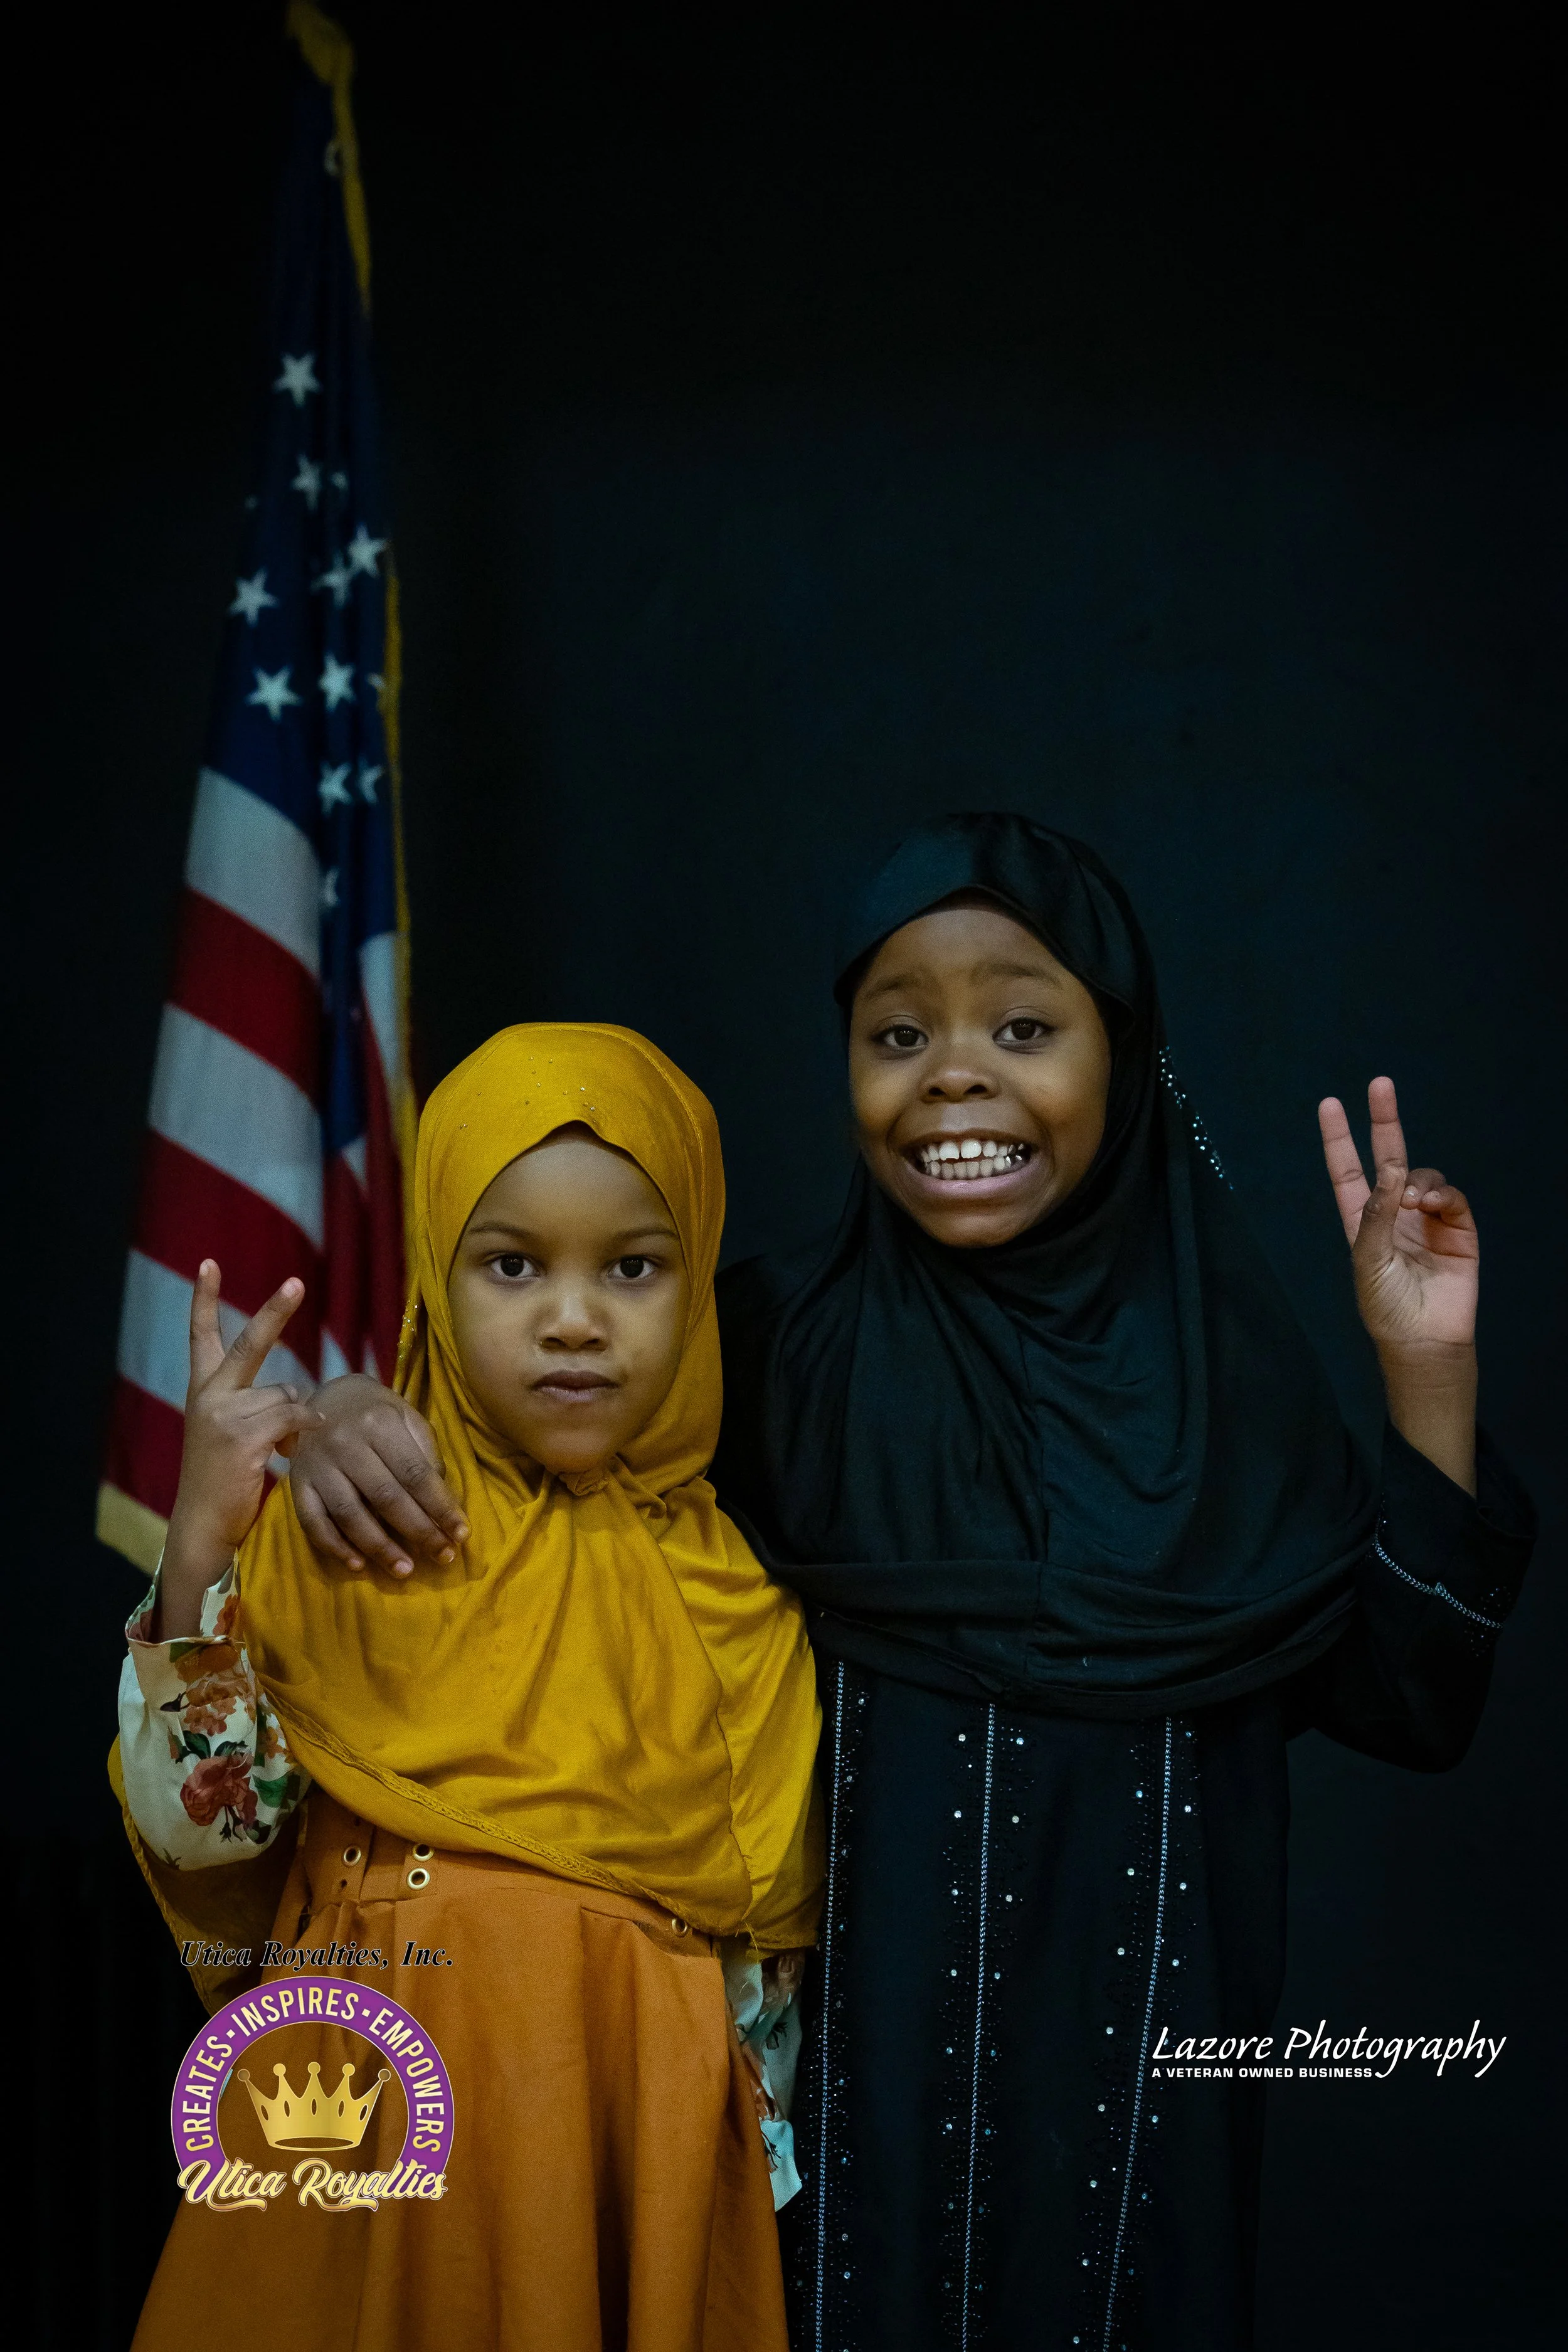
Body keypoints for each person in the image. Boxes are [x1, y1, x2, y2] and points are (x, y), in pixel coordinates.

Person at [288, 818, 1535, 2352]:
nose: (953, 1073)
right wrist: (350, 1409)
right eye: (897, 1033)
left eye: (1023, 1026)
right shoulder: (757, 1357)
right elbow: (523, 1456)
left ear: (1125, 1057)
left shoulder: (1238, 1403)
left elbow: (1413, 1697)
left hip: (1137, 2139)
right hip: (830, 2143)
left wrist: (1424, 1367)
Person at [115, 1022, 822, 2352]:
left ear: (697, 1283)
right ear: (438, 1280)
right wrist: (202, 1544)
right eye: (510, 1266)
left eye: (632, 1266)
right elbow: (206, 1833)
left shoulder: (744, 1596)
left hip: (627, 2137)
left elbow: (764, 1989)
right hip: (375, 2127)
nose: (572, 1318)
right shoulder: (354, 1534)